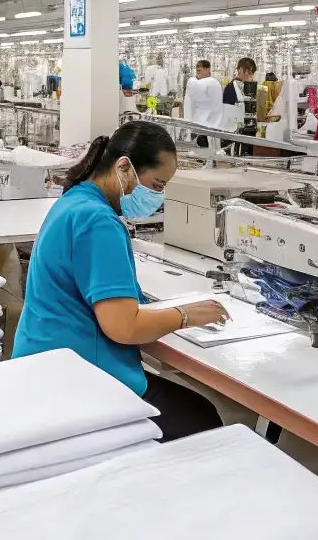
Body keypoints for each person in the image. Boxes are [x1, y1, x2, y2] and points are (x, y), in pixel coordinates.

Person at [14, 121, 229, 442]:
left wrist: (154, 309)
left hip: (45, 361)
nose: (157, 196)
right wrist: (185, 316)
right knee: (202, 419)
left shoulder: (75, 201)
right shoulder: (98, 221)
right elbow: (123, 327)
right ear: (124, 167)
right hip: (78, 375)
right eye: (156, 185)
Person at [183, 59, 223, 148]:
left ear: (207, 69)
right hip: (199, 123)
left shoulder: (211, 83)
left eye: (199, 71)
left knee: (205, 149)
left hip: (206, 123)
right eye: (197, 71)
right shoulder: (211, 82)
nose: (197, 73)